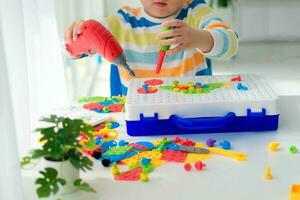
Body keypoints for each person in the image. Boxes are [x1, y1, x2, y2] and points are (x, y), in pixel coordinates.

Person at [65, 0, 238, 94]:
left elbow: (232, 44)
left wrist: (198, 38)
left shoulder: (195, 11)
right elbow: (75, 51)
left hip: (190, 112)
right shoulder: (122, 20)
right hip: (134, 119)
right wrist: (78, 34)